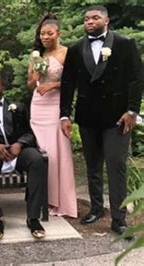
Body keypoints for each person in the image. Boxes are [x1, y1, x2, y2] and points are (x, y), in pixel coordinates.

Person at [60, 5, 142, 237]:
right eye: (86, 18)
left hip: (117, 118)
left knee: (116, 166)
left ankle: (119, 218)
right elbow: (68, 84)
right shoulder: (76, 48)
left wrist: (132, 111)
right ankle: (97, 207)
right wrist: (65, 115)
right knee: (93, 166)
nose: (89, 22)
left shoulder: (124, 43)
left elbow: (136, 79)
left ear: (106, 21)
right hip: (88, 117)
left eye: (95, 18)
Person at [0, 77, 47, 241]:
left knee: (36, 158)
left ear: (2, 88)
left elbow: (29, 133)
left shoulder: (17, 107)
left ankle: (33, 218)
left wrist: (20, 143)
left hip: (17, 152)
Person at [27, 14, 77, 218]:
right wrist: (36, 77)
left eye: (49, 33)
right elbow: (30, 85)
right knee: (41, 151)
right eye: (42, 34)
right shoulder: (36, 55)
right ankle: (42, 198)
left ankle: (61, 201)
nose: (45, 37)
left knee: (58, 152)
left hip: (56, 106)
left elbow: (73, 81)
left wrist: (53, 84)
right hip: (38, 106)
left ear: (58, 34)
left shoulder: (66, 53)